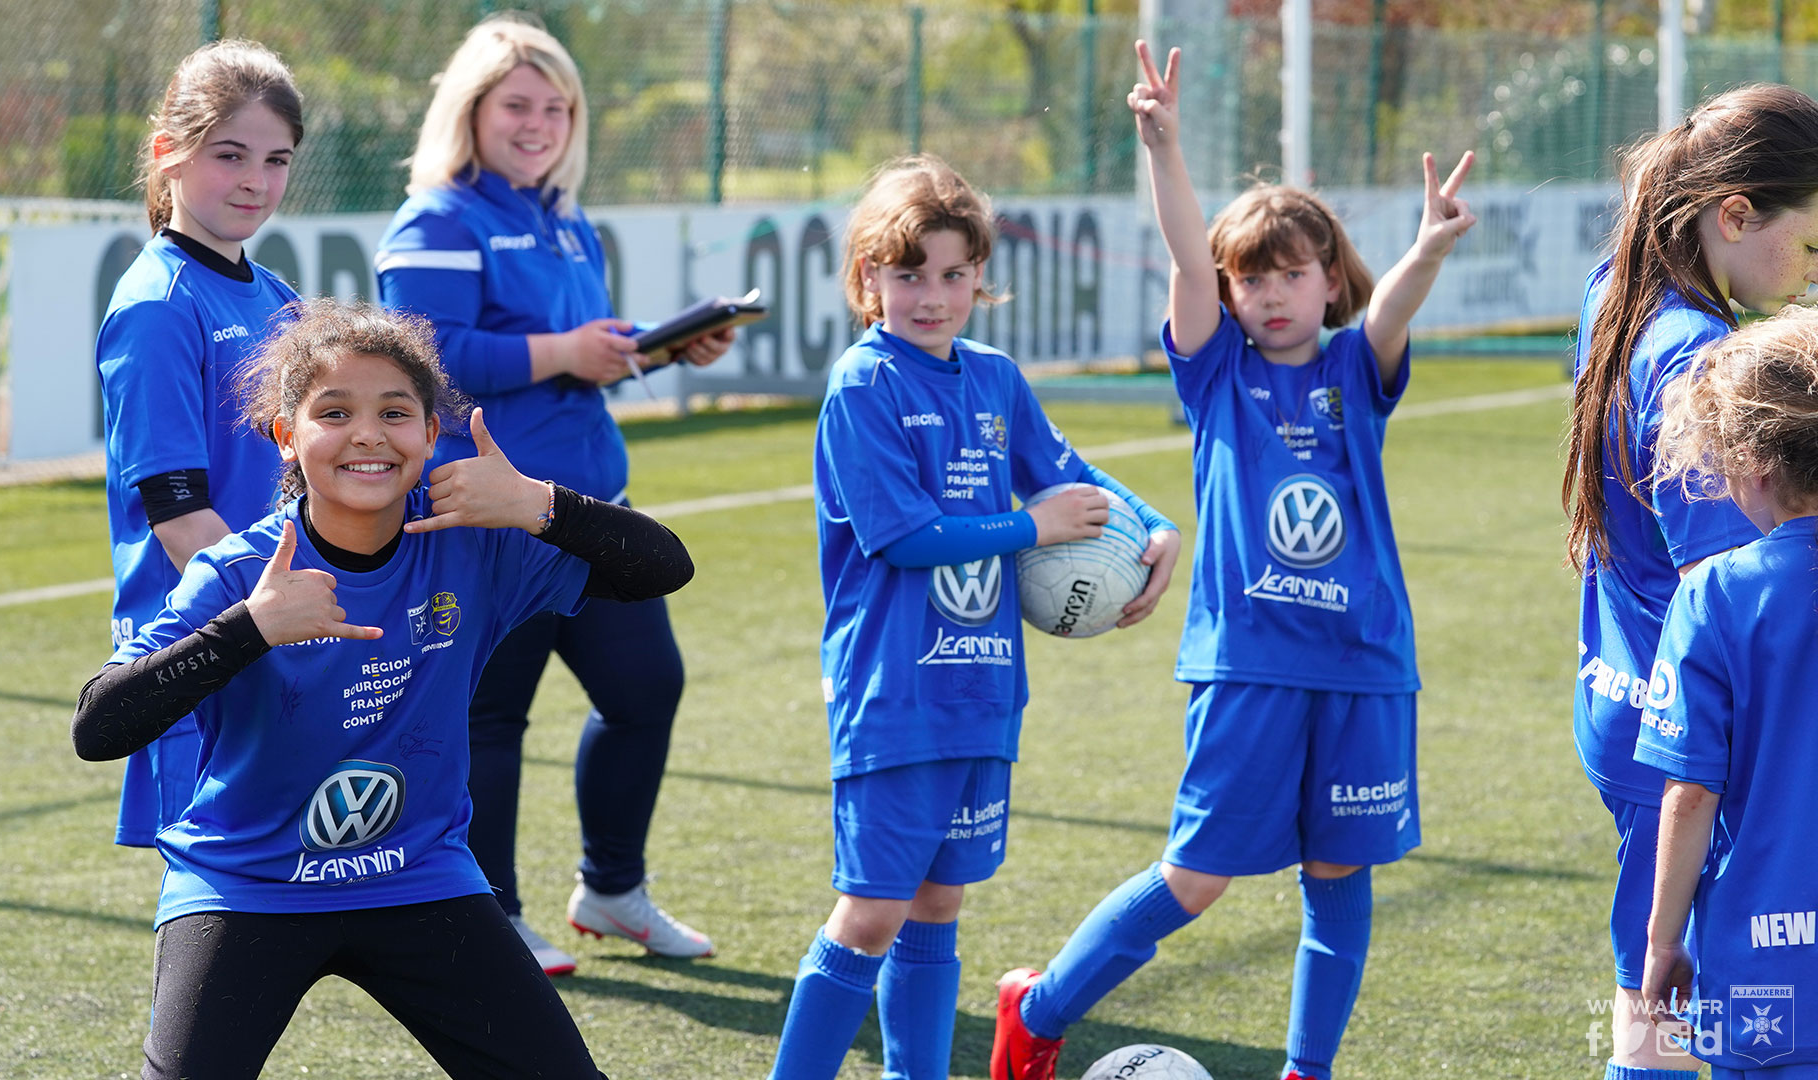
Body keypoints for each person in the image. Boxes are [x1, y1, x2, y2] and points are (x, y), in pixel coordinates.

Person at [991, 42, 1476, 1080]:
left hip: (1364, 663)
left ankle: (1309, 1070)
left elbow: (1392, 309)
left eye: (1293, 274)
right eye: (1251, 278)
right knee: (1197, 876)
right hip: (1249, 663)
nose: (1272, 294)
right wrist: (1164, 149)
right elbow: (1184, 256)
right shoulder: (1217, 375)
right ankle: (1039, 1008)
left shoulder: (1355, 368)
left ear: (1330, 279)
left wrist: (1429, 247)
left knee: (1340, 876)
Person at [70, 299, 694, 1079]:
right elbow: (99, 726)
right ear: (286, 436)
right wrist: (249, 629)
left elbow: (663, 569)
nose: (368, 435)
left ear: (431, 434)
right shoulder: (240, 574)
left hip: (419, 875)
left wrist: (539, 504)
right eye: (334, 413)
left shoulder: (473, 543)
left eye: (395, 413)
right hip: (247, 887)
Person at [766, 153, 1182, 1080]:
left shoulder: (994, 378)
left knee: (938, 903)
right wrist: (1031, 527)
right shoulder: (864, 385)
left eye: (954, 275)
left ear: (980, 275)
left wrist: (1154, 524)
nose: (933, 297)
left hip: (984, 689)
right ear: (869, 276)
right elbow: (901, 536)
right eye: (909, 274)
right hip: (895, 693)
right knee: (870, 913)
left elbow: (1066, 474)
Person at [376, 13, 730, 974]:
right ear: (470, 112)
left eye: (556, 107)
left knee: (646, 690)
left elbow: (574, 352)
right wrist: (564, 352)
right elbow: (421, 357)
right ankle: (491, 914)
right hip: (488, 514)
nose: (537, 124)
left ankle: (610, 889)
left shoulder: (566, 220)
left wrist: (654, 347)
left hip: (585, 511)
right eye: (516, 106)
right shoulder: (438, 218)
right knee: (492, 719)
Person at [1560, 84, 1818, 1080]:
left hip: (1624, 691)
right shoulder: (1697, 360)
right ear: (1735, 215)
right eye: (1809, 246)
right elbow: (1735, 586)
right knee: (1664, 1012)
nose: (1809, 273)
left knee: (1663, 1001)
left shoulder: (1620, 287)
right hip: (1691, 738)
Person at [97, 39, 305, 850]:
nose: (255, 180)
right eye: (230, 154)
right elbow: (180, 517)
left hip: (269, 626)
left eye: (276, 159)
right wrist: (274, 619)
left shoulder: (278, 297)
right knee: (216, 894)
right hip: (205, 642)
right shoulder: (158, 305)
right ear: (169, 154)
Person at [1637, 306, 1818, 1077]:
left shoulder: (1715, 595)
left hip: (1765, 964)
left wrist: (1660, 942)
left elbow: (1690, 794)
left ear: (1753, 462)